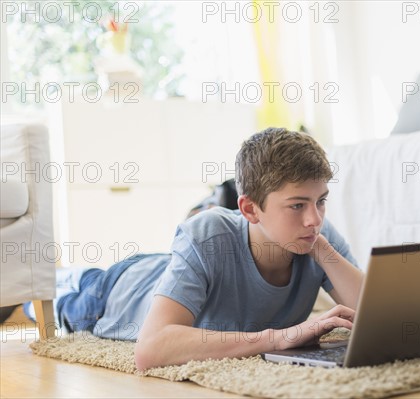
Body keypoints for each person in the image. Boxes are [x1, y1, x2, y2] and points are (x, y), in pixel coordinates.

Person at [28, 127, 364, 370]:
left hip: (168, 267)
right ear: (249, 209)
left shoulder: (315, 234)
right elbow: (151, 349)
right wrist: (277, 338)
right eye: (297, 206)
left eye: (321, 202)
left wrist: (321, 249)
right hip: (111, 293)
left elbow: (375, 315)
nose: (314, 218)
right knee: (41, 293)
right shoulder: (209, 233)